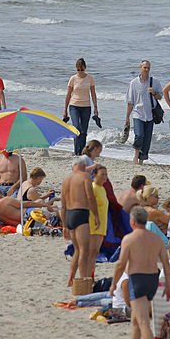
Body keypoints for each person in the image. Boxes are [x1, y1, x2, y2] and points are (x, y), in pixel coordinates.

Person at [109, 205, 170, 339]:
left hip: (137, 280)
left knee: (143, 321)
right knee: (136, 322)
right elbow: (166, 263)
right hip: (153, 279)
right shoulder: (156, 239)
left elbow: (120, 264)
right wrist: (168, 286)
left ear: (132, 221)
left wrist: (113, 284)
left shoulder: (129, 239)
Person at [61, 157, 99, 288]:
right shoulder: (85, 177)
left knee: (77, 250)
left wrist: (64, 225)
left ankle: (71, 279)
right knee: (84, 250)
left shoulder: (66, 179)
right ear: (83, 166)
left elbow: (63, 205)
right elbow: (90, 197)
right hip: (81, 212)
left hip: (69, 215)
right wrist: (96, 215)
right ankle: (84, 280)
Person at [124, 60, 161, 164]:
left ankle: (141, 160)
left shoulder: (155, 82)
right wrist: (127, 117)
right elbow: (130, 102)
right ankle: (135, 155)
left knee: (147, 138)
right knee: (139, 135)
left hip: (150, 114)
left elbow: (160, 97)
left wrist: (154, 92)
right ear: (140, 68)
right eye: (145, 67)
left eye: (148, 68)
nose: (146, 70)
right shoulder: (134, 83)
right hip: (137, 113)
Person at [63, 57, 99, 156]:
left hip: (86, 107)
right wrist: (65, 110)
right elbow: (68, 94)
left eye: (82, 69)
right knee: (77, 128)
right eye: (78, 69)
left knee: (83, 130)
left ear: (85, 68)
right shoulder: (73, 79)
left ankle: (82, 152)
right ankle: (76, 151)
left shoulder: (90, 78)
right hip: (74, 106)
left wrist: (96, 108)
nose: (80, 71)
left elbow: (93, 94)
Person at [86, 165, 111, 271]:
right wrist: (96, 217)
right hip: (94, 222)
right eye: (102, 174)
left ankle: (90, 275)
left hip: (102, 223)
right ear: (95, 175)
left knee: (96, 252)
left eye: (106, 175)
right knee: (91, 251)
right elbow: (89, 202)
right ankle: (87, 275)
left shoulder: (102, 188)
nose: (105, 177)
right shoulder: (93, 187)